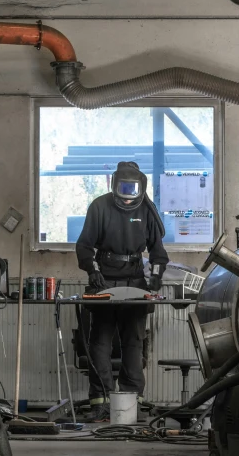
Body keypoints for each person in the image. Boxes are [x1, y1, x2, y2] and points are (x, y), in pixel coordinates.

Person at [76, 161, 169, 421]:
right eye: (122, 194)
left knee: (133, 343)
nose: (127, 201)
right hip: (104, 281)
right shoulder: (99, 206)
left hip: (135, 282)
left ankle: (131, 402)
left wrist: (156, 278)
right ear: (114, 185)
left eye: (132, 196)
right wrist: (92, 271)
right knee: (100, 343)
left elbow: (159, 254)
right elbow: (84, 246)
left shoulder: (147, 210)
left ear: (140, 189)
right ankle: (100, 402)